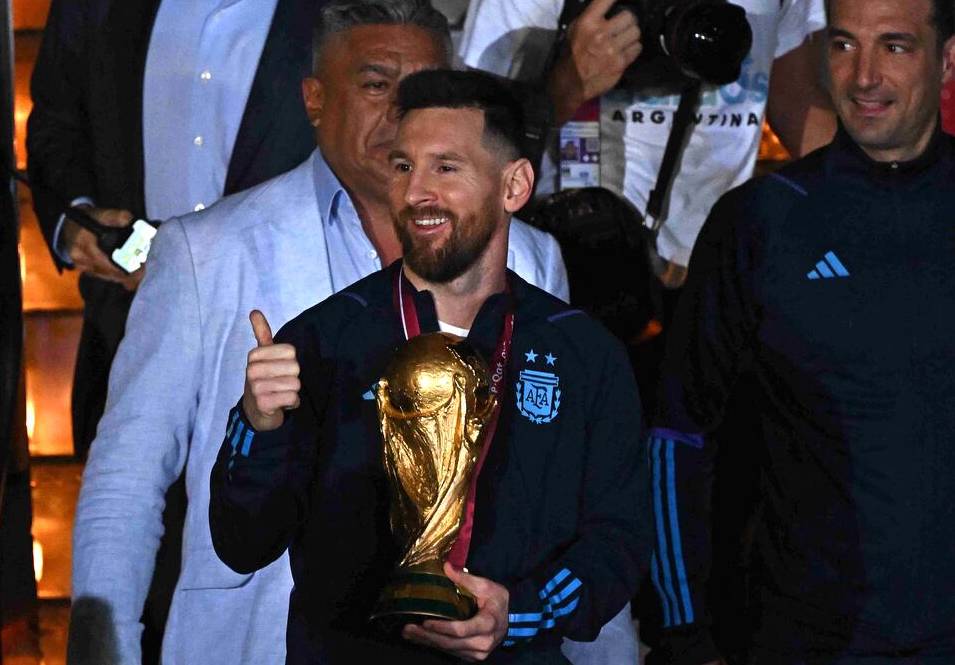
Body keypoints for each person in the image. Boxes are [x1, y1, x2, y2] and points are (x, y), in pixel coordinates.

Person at [68, 0, 569, 665]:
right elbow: (126, 478)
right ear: (314, 100)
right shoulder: (204, 253)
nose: (399, 110)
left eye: (419, 90)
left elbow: (569, 484)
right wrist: (102, 652)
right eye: (374, 84)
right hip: (265, 640)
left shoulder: (530, 256)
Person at [653, 0, 955, 663]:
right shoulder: (762, 219)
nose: (864, 77)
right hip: (814, 636)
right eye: (843, 44)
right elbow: (677, 433)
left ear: (948, 56)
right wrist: (683, 631)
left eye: (895, 46)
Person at [209, 68, 653, 663]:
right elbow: (241, 543)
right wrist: (258, 429)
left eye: (446, 167)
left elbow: (617, 543)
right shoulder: (323, 340)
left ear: (514, 185)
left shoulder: (584, 353)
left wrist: (518, 611)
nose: (417, 191)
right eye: (402, 167)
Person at [26, 0, 429, 458]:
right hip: (131, 324)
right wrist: (76, 223)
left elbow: (403, 148)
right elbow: (57, 122)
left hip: (298, 346)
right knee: (126, 517)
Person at [458, 0, 836, 288]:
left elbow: (796, 102)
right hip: (574, 262)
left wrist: (879, 191)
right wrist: (568, 84)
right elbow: (472, 144)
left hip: (722, 264)